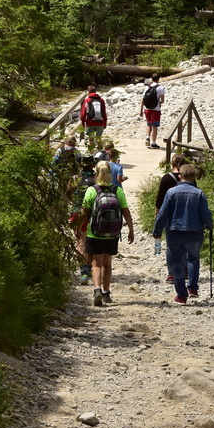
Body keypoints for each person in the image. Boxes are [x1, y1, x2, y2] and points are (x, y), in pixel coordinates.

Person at [153, 164, 213, 305]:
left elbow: (163, 213)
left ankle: (181, 296)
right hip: (194, 231)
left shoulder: (171, 192)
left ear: (180, 176)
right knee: (193, 259)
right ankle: (192, 288)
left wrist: (157, 230)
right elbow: (205, 213)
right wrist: (210, 225)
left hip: (174, 232)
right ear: (194, 178)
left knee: (177, 261)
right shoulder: (199, 194)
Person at [79, 160, 134, 307]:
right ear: (110, 173)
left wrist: (80, 228)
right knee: (107, 264)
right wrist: (131, 230)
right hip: (112, 234)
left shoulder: (91, 191)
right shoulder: (117, 191)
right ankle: (106, 292)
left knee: (96, 264)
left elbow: (84, 214)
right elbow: (126, 212)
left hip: (95, 232)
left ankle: (97, 290)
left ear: (96, 173)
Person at [154, 153, 185, 284]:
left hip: (170, 216)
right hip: (186, 214)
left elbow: (159, 200)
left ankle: (172, 274)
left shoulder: (166, 178)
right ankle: (185, 271)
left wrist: (157, 217)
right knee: (185, 244)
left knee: (172, 246)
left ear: (171, 164)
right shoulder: (188, 177)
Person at [68, 154, 96, 284]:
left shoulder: (74, 178)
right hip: (93, 214)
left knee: (80, 241)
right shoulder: (96, 179)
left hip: (77, 212)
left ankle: (84, 272)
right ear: (93, 165)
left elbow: (67, 193)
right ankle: (90, 267)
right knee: (91, 240)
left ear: (80, 165)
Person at [140, 74, 165, 149]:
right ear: (158, 79)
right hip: (155, 110)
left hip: (147, 109)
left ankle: (148, 137)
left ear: (152, 79)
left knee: (149, 124)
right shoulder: (161, 88)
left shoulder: (147, 87)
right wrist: (158, 103)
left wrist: (140, 110)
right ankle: (153, 143)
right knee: (155, 127)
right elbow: (162, 100)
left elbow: (143, 100)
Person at [80, 85, 107, 149]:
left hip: (90, 122)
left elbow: (83, 114)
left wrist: (83, 123)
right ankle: (100, 152)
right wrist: (105, 123)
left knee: (91, 139)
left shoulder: (87, 100)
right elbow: (104, 112)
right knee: (99, 138)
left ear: (88, 91)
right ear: (95, 91)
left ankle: (91, 153)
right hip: (100, 122)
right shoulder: (101, 100)